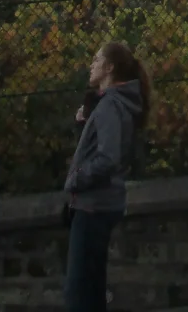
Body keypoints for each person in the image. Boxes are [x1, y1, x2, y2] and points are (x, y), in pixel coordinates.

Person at [63, 42, 152, 312]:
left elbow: (108, 158)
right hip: (101, 203)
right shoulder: (112, 103)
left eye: (96, 59)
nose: (91, 65)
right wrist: (83, 126)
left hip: (94, 205)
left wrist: (76, 178)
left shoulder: (110, 105)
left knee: (80, 291)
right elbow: (99, 149)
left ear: (109, 68)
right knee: (91, 287)